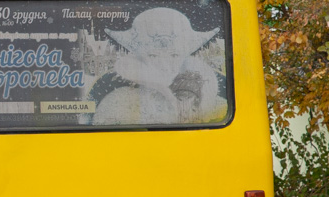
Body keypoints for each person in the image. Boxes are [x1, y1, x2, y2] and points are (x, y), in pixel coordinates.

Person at [89, 7, 228, 126]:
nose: (165, 65)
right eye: (153, 56)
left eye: (174, 55)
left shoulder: (215, 106)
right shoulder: (117, 103)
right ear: (139, 58)